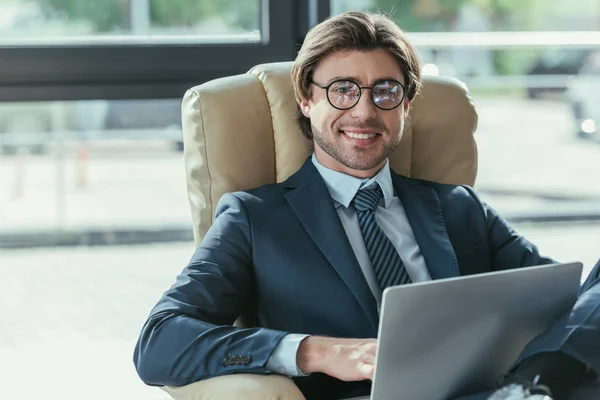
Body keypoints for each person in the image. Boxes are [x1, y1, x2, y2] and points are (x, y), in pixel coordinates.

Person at [134, 11, 600, 400]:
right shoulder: (254, 217)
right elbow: (160, 340)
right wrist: (317, 352)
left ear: (405, 105)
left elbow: (570, 302)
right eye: (342, 89)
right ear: (306, 98)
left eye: (386, 91)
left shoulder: (458, 207)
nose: (364, 111)